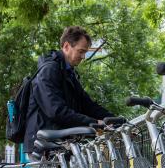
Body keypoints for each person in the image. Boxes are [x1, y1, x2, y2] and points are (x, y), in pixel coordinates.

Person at [24, 26, 114, 157]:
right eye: (81, 51)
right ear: (66, 46)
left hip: (60, 143)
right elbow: (56, 111)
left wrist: (113, 120)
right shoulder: (49, 70)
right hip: (43, 146)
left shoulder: (69, 73)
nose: (83, 57)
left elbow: (88, 105)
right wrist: (94, 123)